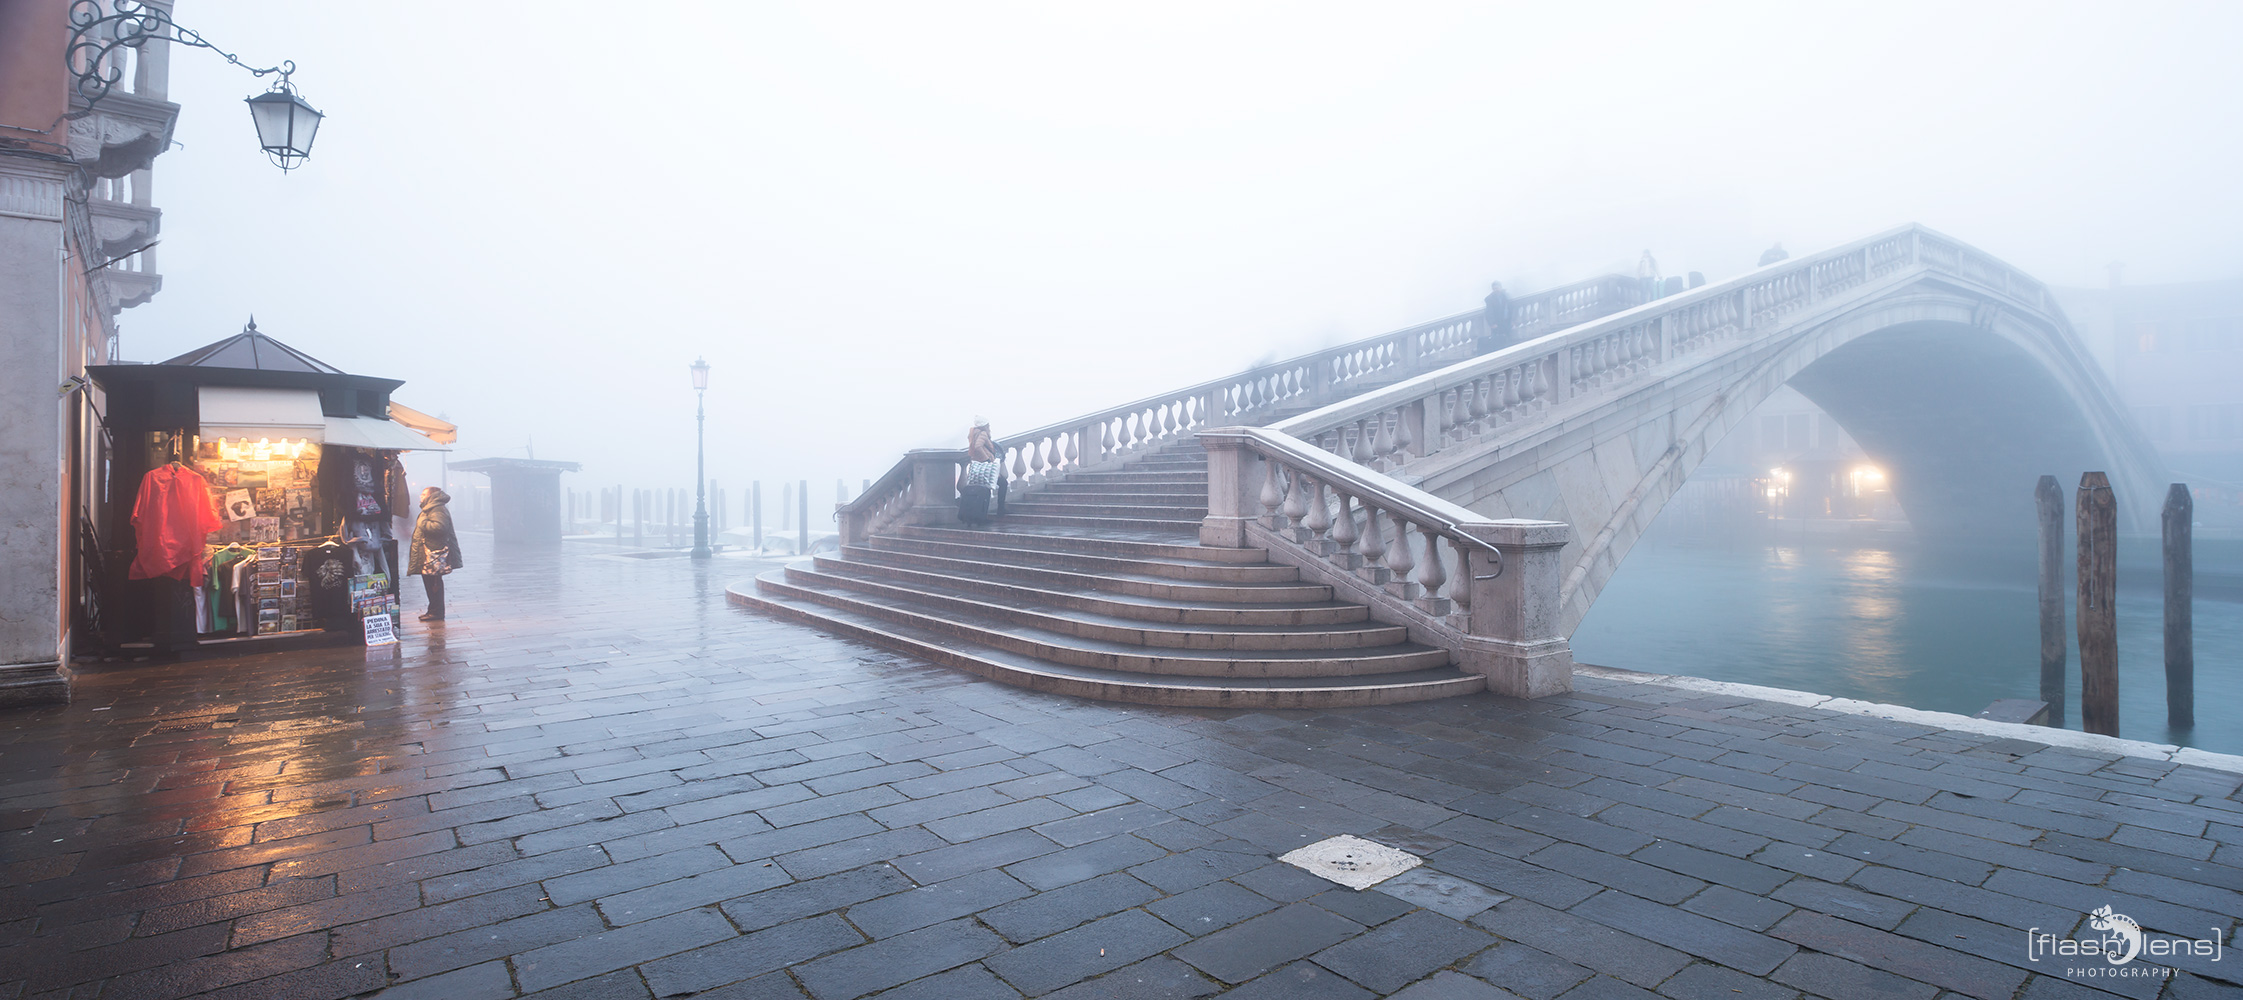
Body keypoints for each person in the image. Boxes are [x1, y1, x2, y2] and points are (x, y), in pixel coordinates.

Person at [408, 486, 462, 621]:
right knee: (430, 582)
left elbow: (440, 527)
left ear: (431, 496)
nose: (421, 496)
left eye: (423, 494)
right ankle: (433, 610)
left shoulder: (436, 509)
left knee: (434, 582)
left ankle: (436, 612)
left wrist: (422, 522)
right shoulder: (432, 508)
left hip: (433, 554)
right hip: (430, 553)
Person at [958, 420, 1005, 526]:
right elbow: (978, 446)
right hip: (985, 467)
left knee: (981, 490)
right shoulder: (983, 433)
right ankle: (1000, 510)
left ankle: (978, 515)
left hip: (976, 466)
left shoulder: (973, 433)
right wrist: (987, 459)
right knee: (1001, 484)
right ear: (985, 426)